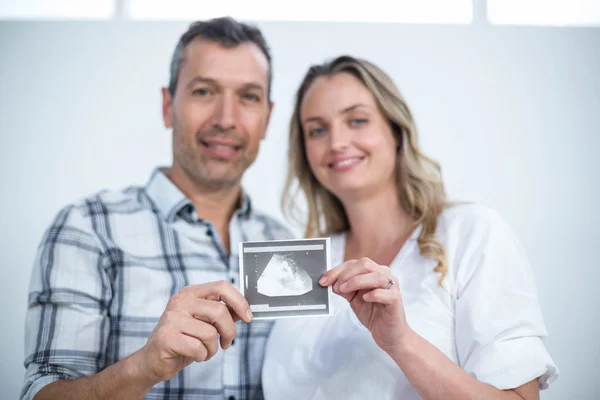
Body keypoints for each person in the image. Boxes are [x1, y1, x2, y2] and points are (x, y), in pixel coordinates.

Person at [21, 17, 292, 400]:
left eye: (248, 96)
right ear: (168, 106)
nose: (226, 120)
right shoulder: (88, 228)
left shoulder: (283, 242)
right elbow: (41, 393)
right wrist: (144, 366)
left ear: (267, 116)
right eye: (204, 91)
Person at [262, 55, 558, 399]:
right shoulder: (301, 262)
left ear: (396, 130)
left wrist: (401, 341)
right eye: (317, 130)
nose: (337, 142)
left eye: (357, 120)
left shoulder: (471, 235)